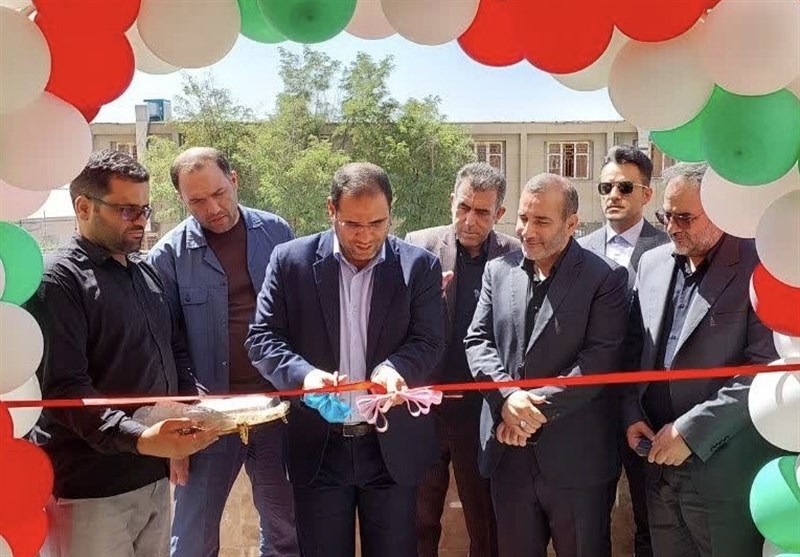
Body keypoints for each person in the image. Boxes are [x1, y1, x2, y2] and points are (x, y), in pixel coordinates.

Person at [246, 162, 445, 557]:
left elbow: (430, 340)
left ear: (391, 213)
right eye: (353, 224)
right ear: (331, 209)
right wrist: (305, 377)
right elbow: (261, 339)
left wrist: (395, 368)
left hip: (390, 450)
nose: (366, 236)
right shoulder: (291, 261)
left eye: (377, 223)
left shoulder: (419, 266)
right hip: (318, 448)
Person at [28, 150, 219, 557]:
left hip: (152, 477)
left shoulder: (145, 272)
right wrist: (142, 438)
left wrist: (192, 411)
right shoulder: (58, 282)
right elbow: (65, 390)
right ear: (83, 207)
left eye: (144, 209)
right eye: (127, 210)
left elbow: (173, 352)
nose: (141, 221)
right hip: (90, 490)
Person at [465, 173, 629, 557]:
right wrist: (507, 398)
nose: (527, 231)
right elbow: (477, 341)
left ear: (571, 224)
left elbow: (598, 361)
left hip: (576, 461)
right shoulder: (498, 270)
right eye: (523, 218)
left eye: (541, 221)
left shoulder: (604, 278)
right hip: (508, 456)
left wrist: (527, 412)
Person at [623, 162, 780, 557]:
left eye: (684, 217)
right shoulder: (652, 263)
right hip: (656, 464)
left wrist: (690, 432)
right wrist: (631, 412)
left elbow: (763, 369)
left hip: (723, 471)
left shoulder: (760, 264)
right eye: (665, 216)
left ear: (720, 210)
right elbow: (631, 350)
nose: (672, 227)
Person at [148, 147, 299, 557]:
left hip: (276, 410)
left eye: (219, 193)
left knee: (286, 528)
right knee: (192, 537)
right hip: (205, 418)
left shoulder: (276, 232)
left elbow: (300, 316)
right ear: (182, 199)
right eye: (197, 200)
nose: (213, 208)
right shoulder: (167, 256)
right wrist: (176, 429)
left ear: (234, 180)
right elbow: (166, 349)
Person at [406, 162, 518, 557]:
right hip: (424, 410)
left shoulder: (515, 255)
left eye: (482, 212)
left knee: (484, 523)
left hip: (481, 413)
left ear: (499, 213)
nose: (470, 220)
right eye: (463, 208)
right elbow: (391, 320)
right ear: (451, 201)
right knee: (418, 520)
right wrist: (419, 302)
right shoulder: (418, 246)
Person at [578, 145, 668, 557]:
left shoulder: (668, 247)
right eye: (606, 187)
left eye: (625, 187)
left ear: (646, 194)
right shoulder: (577, 249)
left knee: (650, 520)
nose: (613, 195)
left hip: (646, 411)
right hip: (586, 410)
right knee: (587, 521)